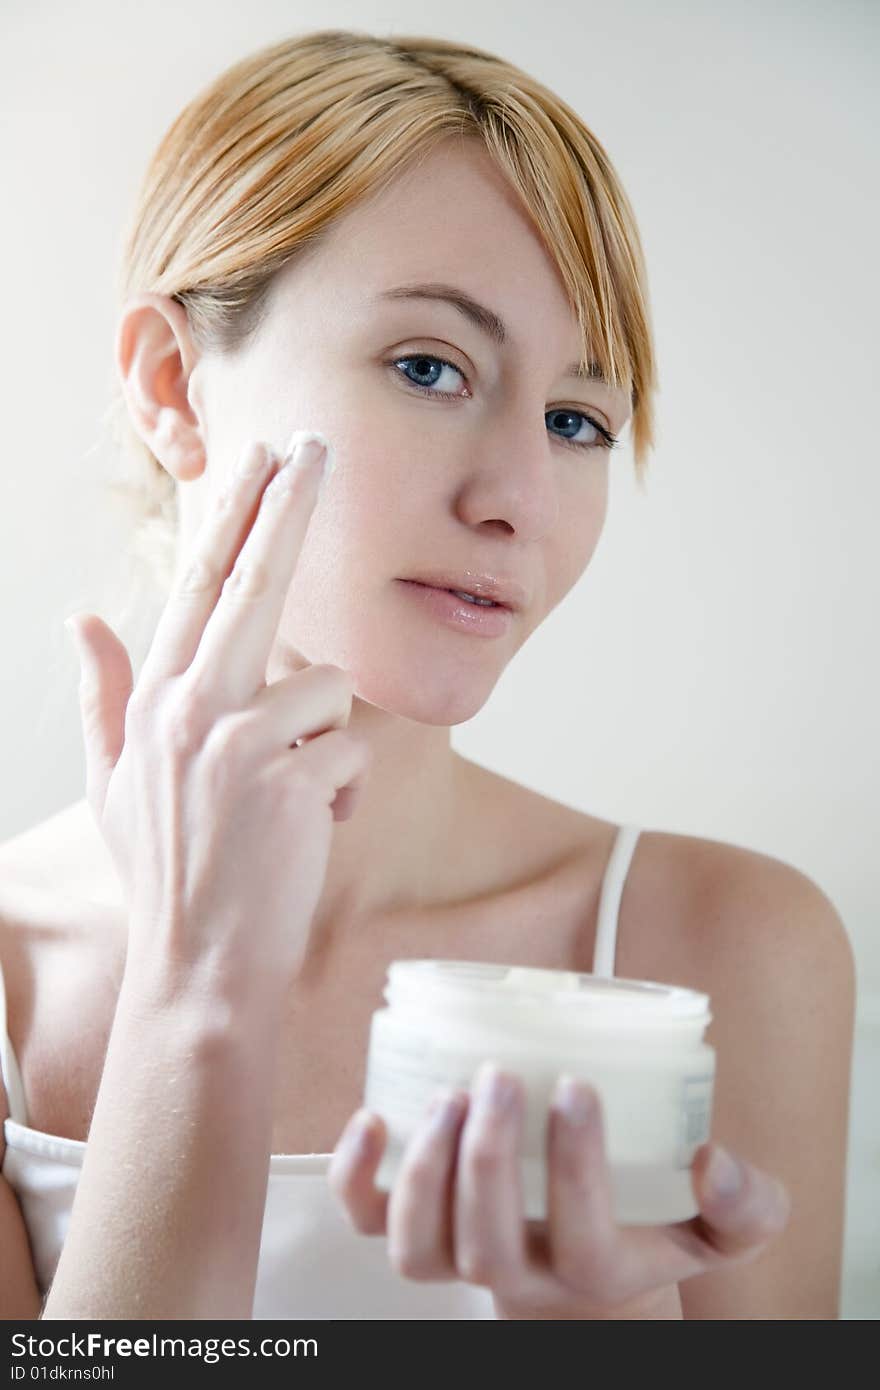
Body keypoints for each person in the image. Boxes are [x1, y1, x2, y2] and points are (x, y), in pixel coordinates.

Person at [0, 29, 854, 1321]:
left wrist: (582, 1314)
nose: (518, 496)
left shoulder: (734, 949)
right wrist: (195, 988)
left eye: (578, 420)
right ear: (173, 384)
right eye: (429, 367)